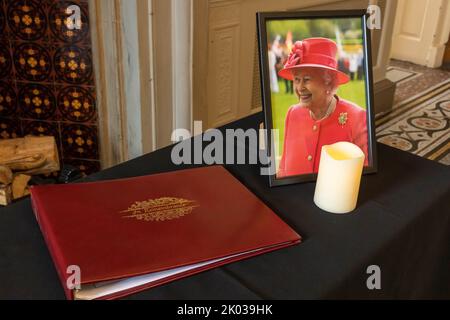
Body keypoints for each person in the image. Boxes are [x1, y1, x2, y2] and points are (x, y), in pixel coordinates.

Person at [276, 38, 368, 178]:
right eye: (296, 79)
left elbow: (365, 176)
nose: (300, 88)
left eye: (307, 79)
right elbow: (283, 169)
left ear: (328, 82)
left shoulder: (357, 118)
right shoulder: (293, 113)